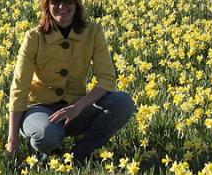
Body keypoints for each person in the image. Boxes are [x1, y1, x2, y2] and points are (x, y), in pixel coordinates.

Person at [7, 0, 135, 163]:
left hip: (75, 108)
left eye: (68, 1)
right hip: (39, 109)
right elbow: (19, 88)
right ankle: (49, 151)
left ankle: (80, 154)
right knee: (47, 134)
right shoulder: (34, 37)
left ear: (76, 4)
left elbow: (107, 79)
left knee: (123, 102)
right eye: (55, 2)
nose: (62, 7)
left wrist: (77, 107)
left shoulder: (93, 32)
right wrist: (12, 142)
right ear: (46, 5)